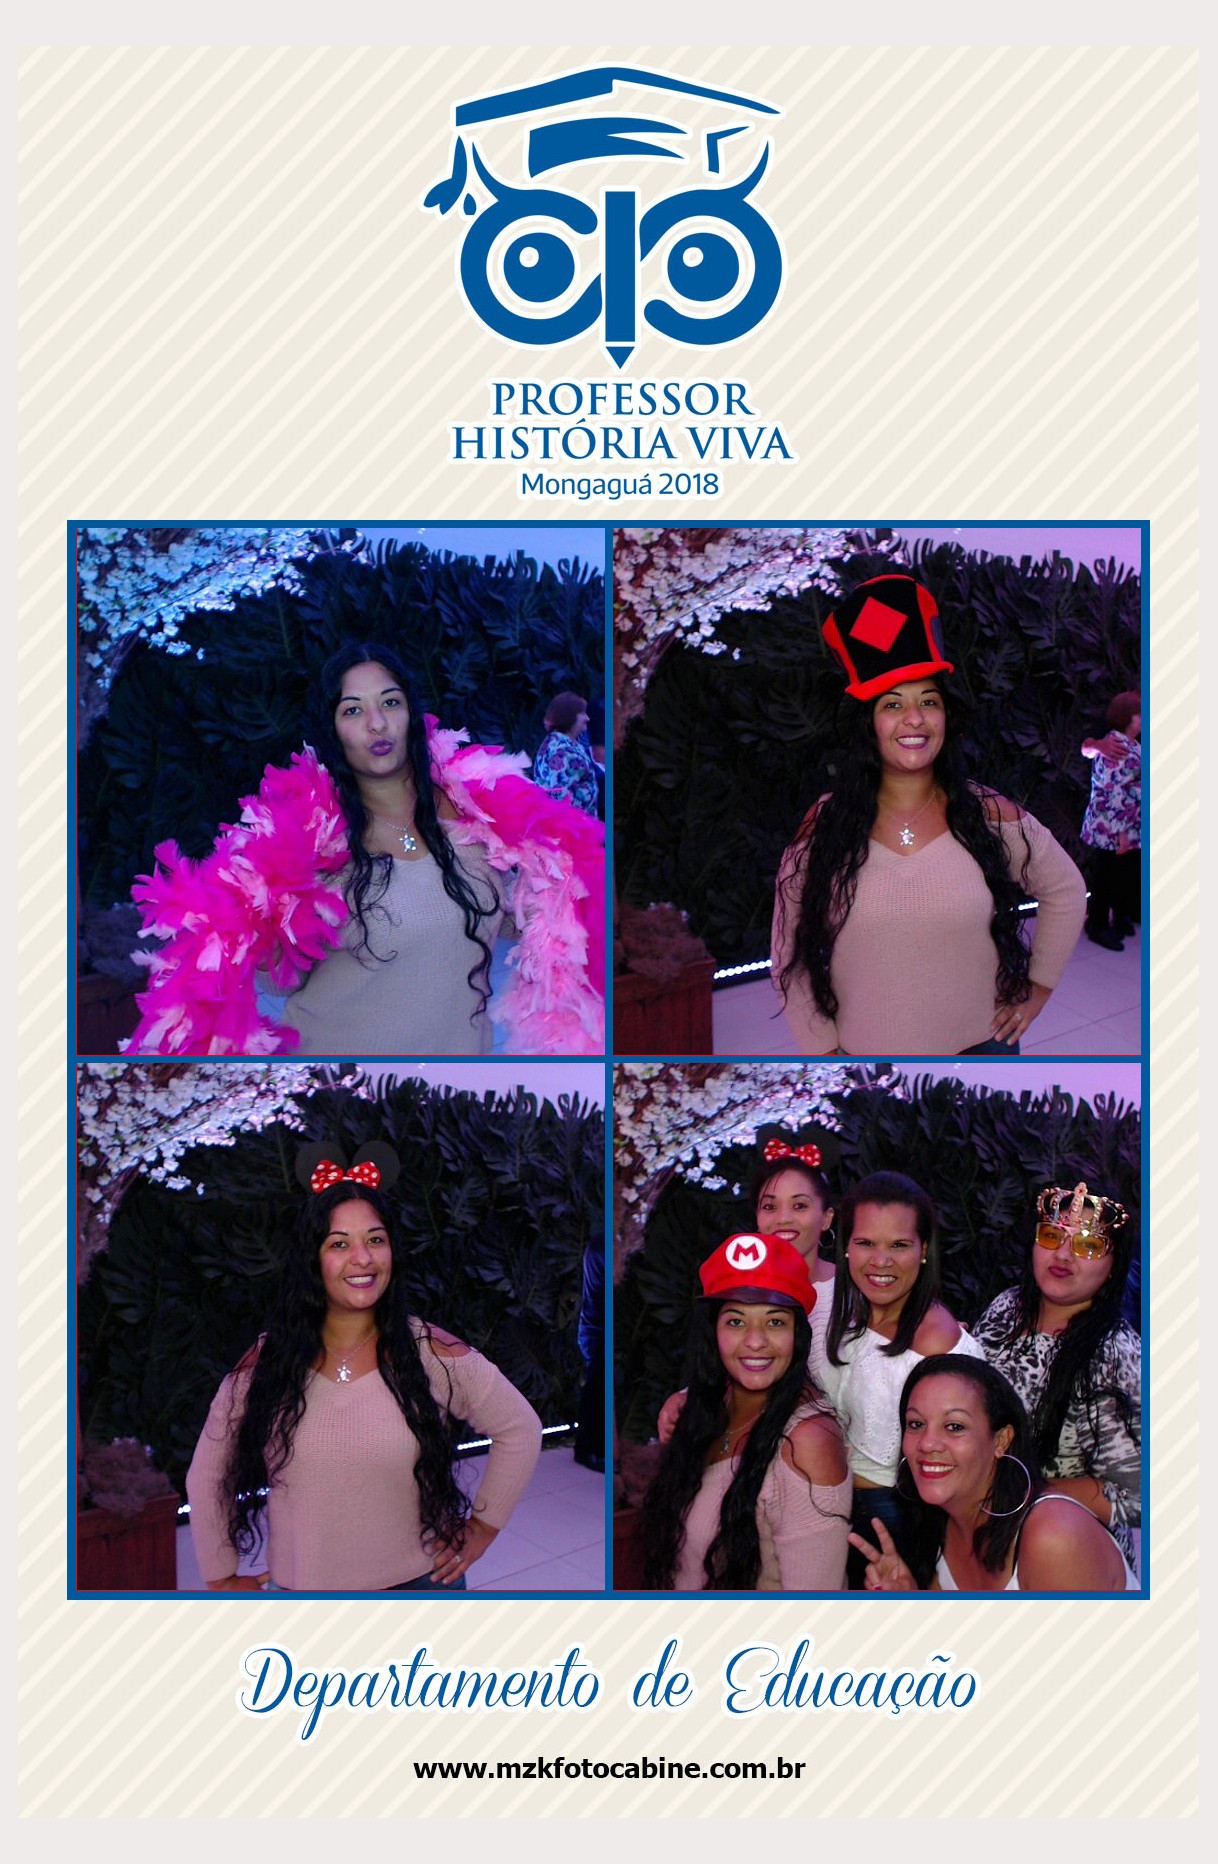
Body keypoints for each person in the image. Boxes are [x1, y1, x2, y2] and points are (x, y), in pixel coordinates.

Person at [122, 641, 605, 1055]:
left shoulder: (477, 814)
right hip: (343, 1092)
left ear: (411, 713)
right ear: (333, 729)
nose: (377, 723)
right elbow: (272, 975)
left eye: (390, 702)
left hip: (457, 1090)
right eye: (353, 710)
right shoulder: (307, 845)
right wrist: (264, 912)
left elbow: (518, 921)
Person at [185, 1145, 542, 1592]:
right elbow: (208, 1475)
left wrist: (484, 1528)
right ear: (312, 1259)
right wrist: (220, 1576)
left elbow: (521, 1429)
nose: (363, 1258)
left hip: (423, 1588)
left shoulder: (431, 1351)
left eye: (375, 1240)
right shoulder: (269, 1361)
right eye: (339, 1244)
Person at [772, 574, 1086, 1055]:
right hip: (864, 1058)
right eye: (892, 704)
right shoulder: (827, 823)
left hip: (985, 1048)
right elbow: (786, 947)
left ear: (946, 717)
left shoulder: (988, 813)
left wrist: (1038, 989)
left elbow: (1066, 890)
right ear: (868, 724)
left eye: (929, 701)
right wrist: (821, 1049)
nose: (914, 718)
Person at [639, 1232, 851, 1592]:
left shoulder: (808, 1443)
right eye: (736, 1321)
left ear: (798, 1334)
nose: (755, 1341)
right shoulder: (705, 1408)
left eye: (775, 1322)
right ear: (714, 1332)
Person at [813, 1170, 985, 1587]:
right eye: (866, 1243)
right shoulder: (832, 1306)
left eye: (899, 1245)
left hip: (895, 1527)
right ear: (846, 1245)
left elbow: (975, 1473)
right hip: (822, 1508)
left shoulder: (941, 1351)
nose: (881, 1261)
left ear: (924, 1250)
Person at [849, 1356, 1138, 1591]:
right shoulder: (943, 1514)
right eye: (916, 1424)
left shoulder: (1055, 1538)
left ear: (1001, 1440)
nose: (927, 1443)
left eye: (954, 1427)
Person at [972, 1180, 1140, 1564]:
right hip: (984, 1538)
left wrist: (1017, 1492)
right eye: (1051, 1235)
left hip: (1070, 1556)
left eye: (1088, 1244)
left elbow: (1138, 1496)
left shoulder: (1116, 1355)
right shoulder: (1007, 1307)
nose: (1063, 1255)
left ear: (1113, 1267)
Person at [1080, 691, 1141, 950]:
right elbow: (1114, 792)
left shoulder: (1130, 743)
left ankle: (1118, 917)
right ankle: (1097, 924)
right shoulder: (1117, 746)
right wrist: (1121, 833)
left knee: (1120, 873)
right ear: (1128, 717)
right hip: (1113, 825)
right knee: (1106, 875)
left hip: (1124, 823)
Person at [751, 1124, 839, 1287]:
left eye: (799, 1206)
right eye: (769, 1207)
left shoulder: (853, 1288)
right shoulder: (736, 1289)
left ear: (827, 1218)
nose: (783, 1219)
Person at [533, 692, 600, 817]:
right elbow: (560, 801)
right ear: (570, 716)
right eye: (582, 713)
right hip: (575, 827)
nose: (587, 718)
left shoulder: (555, 742)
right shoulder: (563, 752)